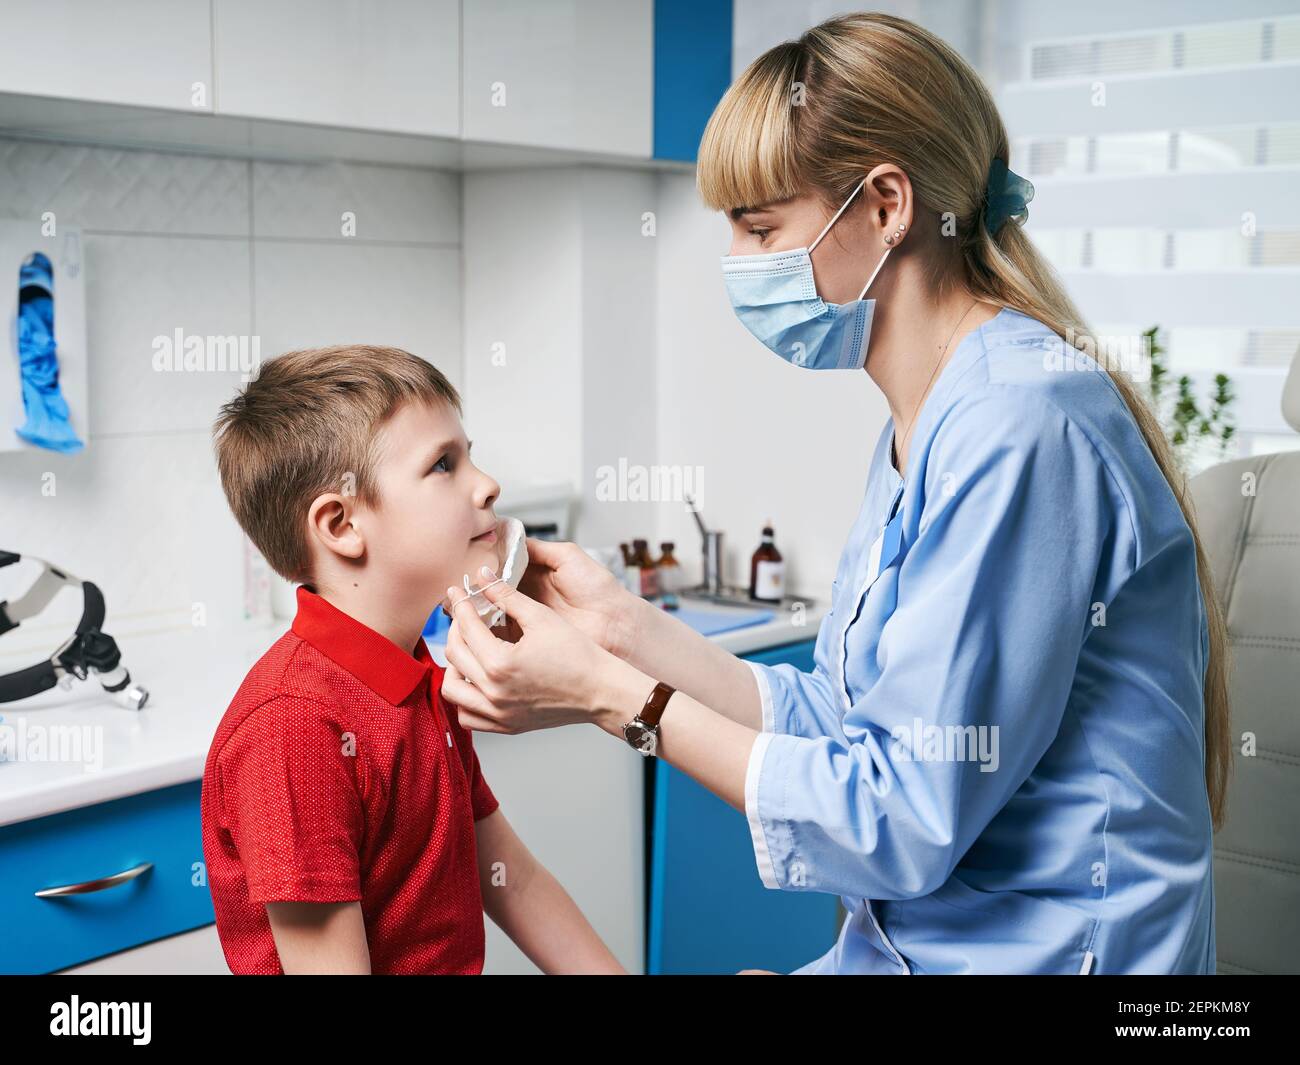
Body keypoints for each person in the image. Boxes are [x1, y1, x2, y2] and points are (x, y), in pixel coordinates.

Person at [440, 13, 1231, 975]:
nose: (738, 264)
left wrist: (617, 699)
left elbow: (900, 817)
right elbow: (848, 721)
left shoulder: (1021, 426)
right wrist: (623, 632)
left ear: (887, 203)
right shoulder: (926, 421)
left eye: (762, 227)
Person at [202, 344, 623, 974]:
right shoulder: (292, 728)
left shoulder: (419, 680)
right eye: (444, 465)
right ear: (341, 525)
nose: (488, 484)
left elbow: (513, 881)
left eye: (469, 455)